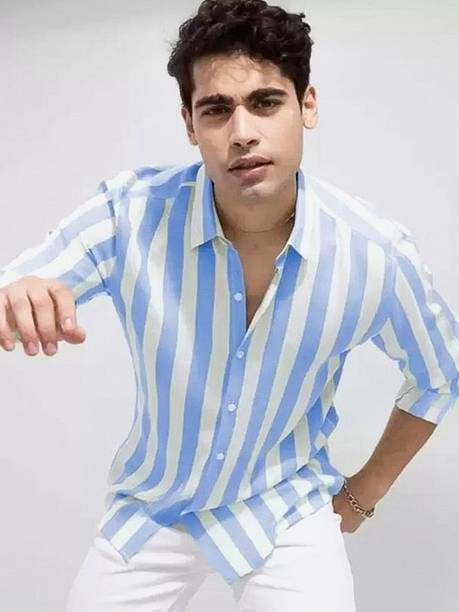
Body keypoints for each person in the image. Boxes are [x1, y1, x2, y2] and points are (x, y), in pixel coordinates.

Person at [1, 1, 458, 610]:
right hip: (154, 506)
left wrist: (362, 494)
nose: (242, 131)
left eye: (265, 102)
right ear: (190, 124)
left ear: (307, 106)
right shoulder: (131, 212)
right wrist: (18, 291)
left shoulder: (374, 253)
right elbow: (25, 280)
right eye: (216, 109)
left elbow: (439, 374)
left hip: (284, 508)